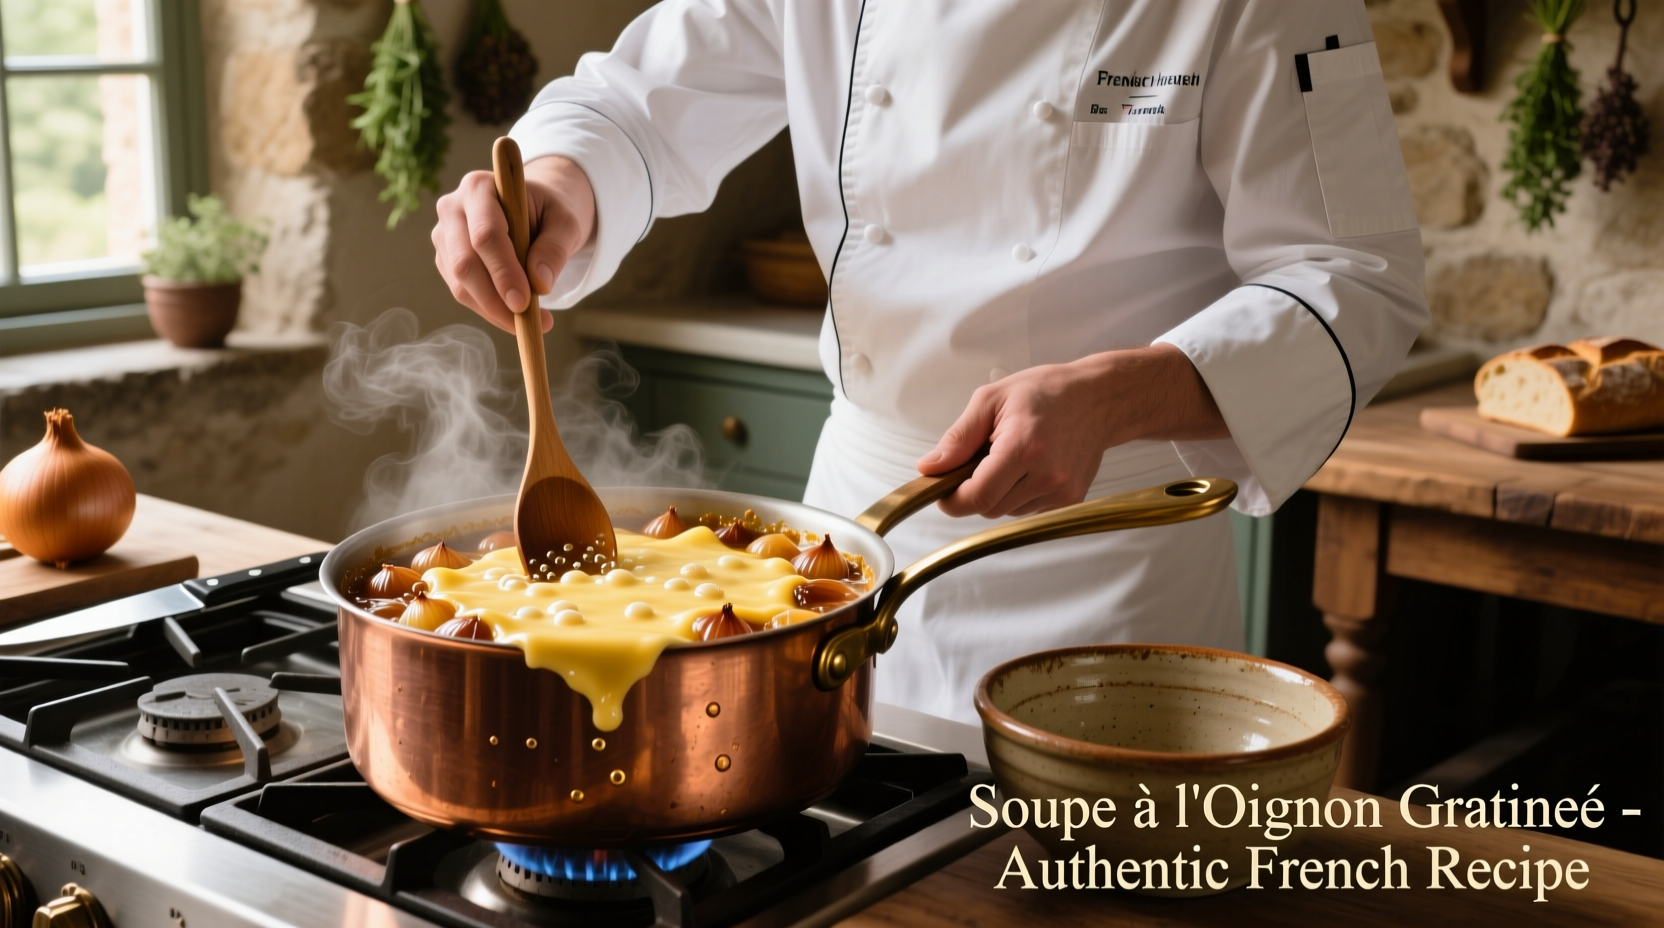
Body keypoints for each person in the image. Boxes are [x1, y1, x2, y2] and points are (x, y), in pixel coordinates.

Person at [431, 1, 1427, 724]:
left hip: (1107, 561)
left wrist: (1120, 394)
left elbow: (1358, 277)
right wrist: (560, 183)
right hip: (845, 552)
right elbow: (639, 102)